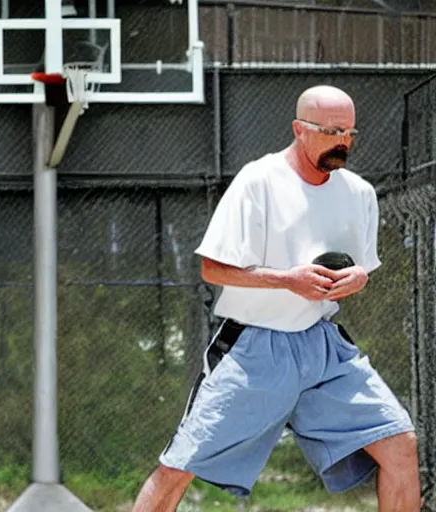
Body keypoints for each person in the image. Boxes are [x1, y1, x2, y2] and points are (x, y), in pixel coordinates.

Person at [132, 85, 421, 512]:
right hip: (253, 349)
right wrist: (288, 280)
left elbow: (362, 269)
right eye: (331, 131)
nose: (343, 142)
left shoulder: (358, 193)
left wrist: (357, 278)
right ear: (299, 129)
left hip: (322, 347)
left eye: (349, 132)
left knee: (400, 445)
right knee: (179, 466)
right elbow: (212, 269)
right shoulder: (259, 181)